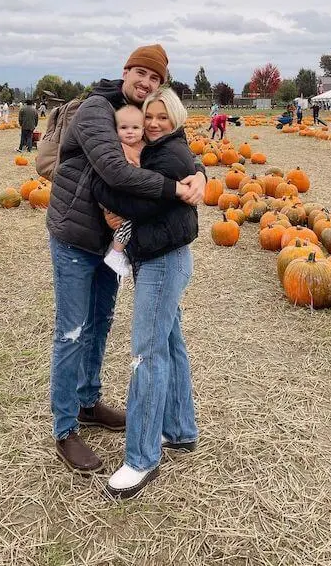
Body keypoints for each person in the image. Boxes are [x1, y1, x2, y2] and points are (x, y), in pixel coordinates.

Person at [46, 44, 206, 475]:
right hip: (76, 237)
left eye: (154, 78)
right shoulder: (98, 110)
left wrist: (199, 175)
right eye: (140, 73)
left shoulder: (144, 113)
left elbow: (176, 144)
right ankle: (64, 429)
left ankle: (88, 402)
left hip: (109, 243)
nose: (146, 82)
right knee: (72, 331)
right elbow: (115, 173)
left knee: (99, 324)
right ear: (125, 71)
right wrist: (176, 190)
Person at [91, 87, 199, 498]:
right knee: (169, 344)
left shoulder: (168, 155)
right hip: (163, 257)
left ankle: (141, 458)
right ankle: (181, 430)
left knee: (145, 354)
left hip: (162, 261)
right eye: (148, 116)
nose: (153, 123)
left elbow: (140, 202)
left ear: (175, 118)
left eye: (161, 117)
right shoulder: (162, 151)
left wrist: (102, 190)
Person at [102, 104, 146, 278]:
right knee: (127, 223)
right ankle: (116, 252)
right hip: (122, 195)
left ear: (143, 130)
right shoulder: (118, 148)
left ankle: (118, 250)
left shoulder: (143, 146)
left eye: (135, 128)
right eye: (124, 128)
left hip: (135, 194)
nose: (130, 132)